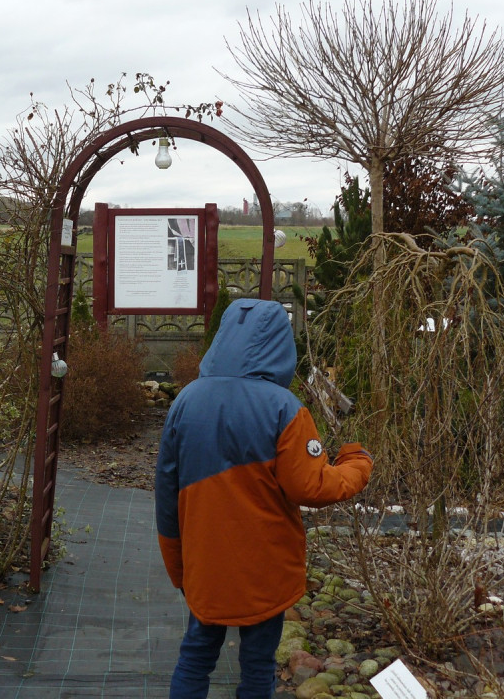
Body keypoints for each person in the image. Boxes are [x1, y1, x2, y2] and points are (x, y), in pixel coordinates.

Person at [155, 298, 373, 698]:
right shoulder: (284, 408)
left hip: (205, 563)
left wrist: (178, 568)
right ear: (280, 346)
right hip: (266, 569)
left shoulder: (185, 401)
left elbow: (166, 494)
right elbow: (311, 487)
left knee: (196, 655)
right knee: (257, 667)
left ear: (223, 338)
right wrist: (357, 462)